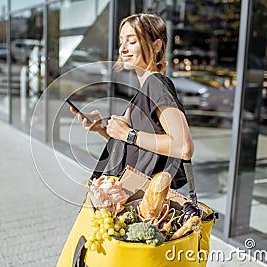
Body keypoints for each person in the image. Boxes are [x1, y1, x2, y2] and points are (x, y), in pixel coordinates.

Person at [70, 13, 194, 189]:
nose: (123, 49)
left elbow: (183, 147)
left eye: (132, 41)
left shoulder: (156, 83)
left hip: (146, 200)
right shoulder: (143, 90)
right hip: (131, 194)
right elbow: (136, 147)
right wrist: (104, 130)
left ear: (156, 45)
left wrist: (128, 134)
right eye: (121, 41)